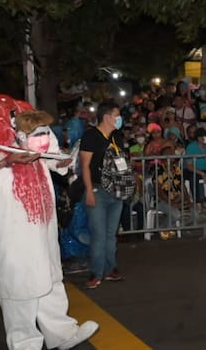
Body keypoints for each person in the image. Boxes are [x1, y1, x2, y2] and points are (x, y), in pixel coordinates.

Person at [0, 95, 98, 349]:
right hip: (6, 215)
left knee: (50, 272)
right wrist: (5, 162)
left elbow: (48, 149)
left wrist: (60, 161)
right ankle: (24, 342)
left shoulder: (27, 112)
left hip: (41, 210)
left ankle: (62, 333)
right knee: (17, 279)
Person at [79, 100, 127, 289]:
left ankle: (110, 269)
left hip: (116, 191)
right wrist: (89, 191)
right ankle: (96, 273)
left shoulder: (117, 137)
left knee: (110, 234)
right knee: (99, 235)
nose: (120, 119)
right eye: (117, 115)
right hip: (98, 191)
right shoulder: (91, 136)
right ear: (107, 117)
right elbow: (84, 166)